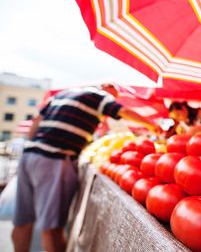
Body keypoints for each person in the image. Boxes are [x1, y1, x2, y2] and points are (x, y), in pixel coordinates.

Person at [11, 83, 161, 252]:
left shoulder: (63, 93)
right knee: (52, 228)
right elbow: (123, 112)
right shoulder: (98, 96)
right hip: (54, 159)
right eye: (114, 96)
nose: (114, 100)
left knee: (23, 221)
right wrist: (152, 125)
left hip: (29, 156)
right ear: (106, 88)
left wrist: (39, 143)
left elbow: (36, 123)